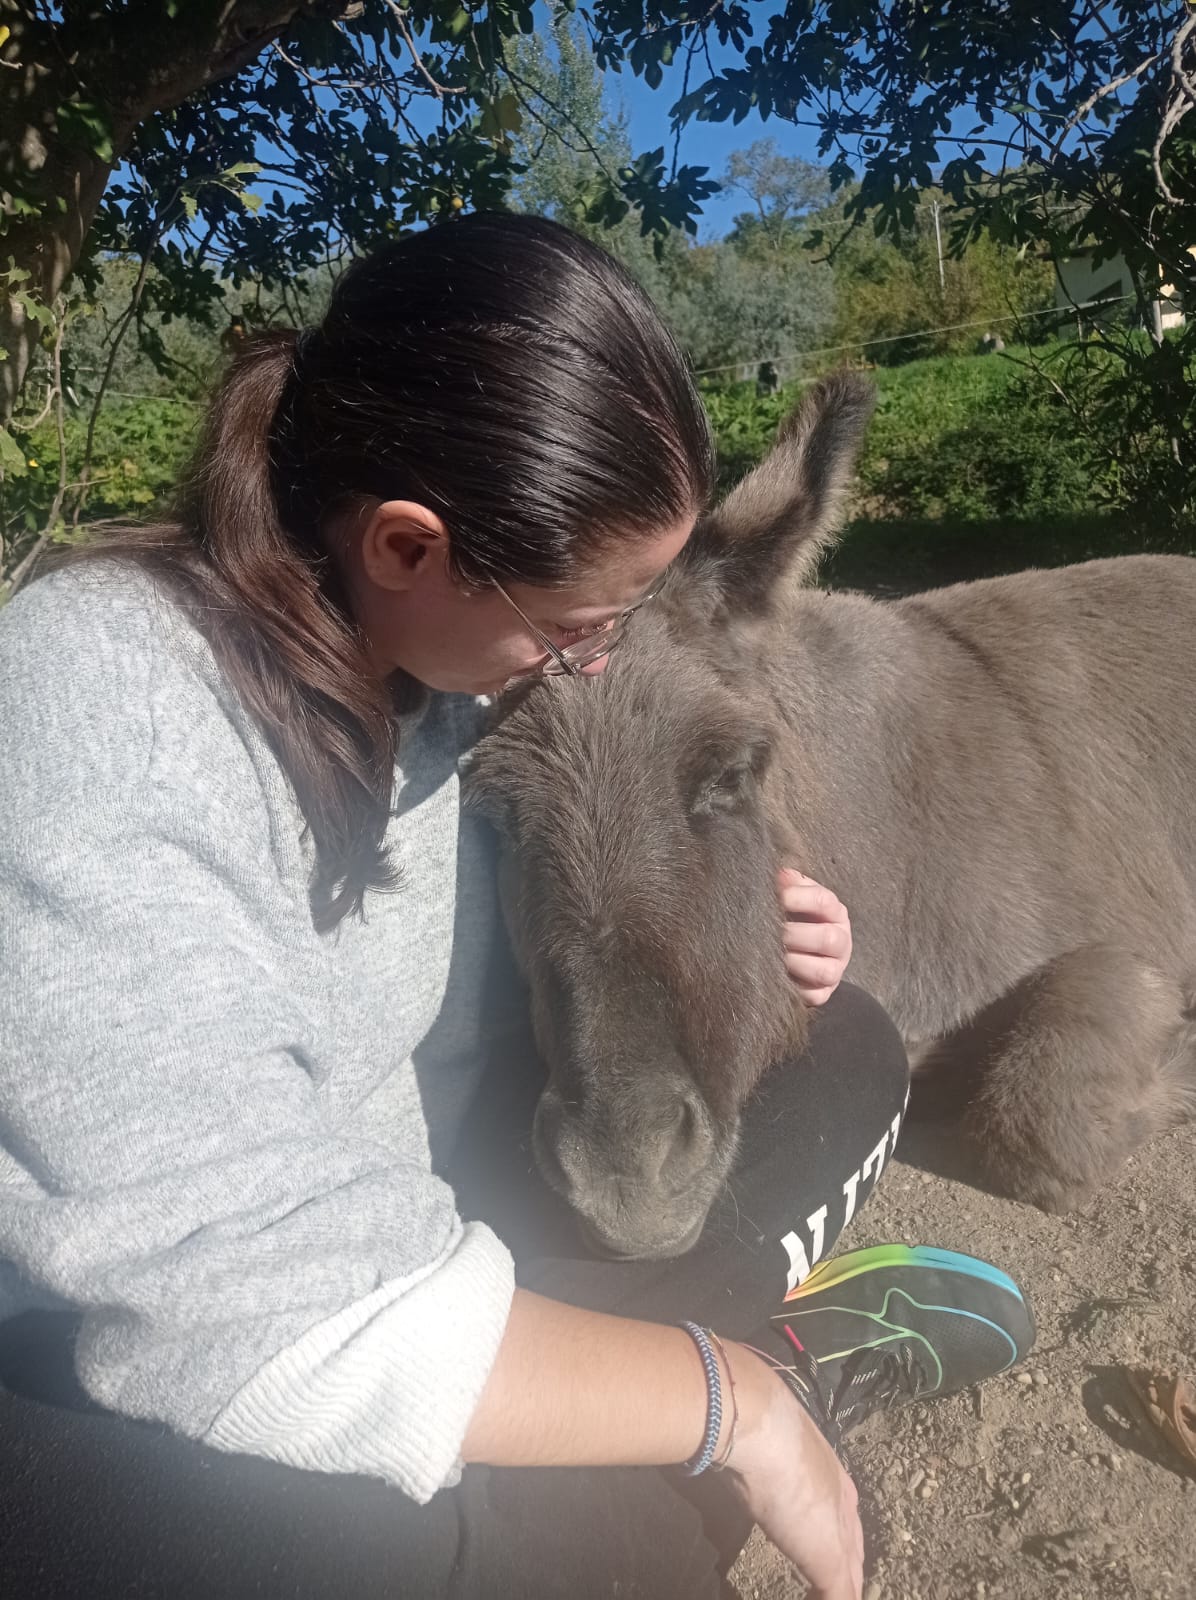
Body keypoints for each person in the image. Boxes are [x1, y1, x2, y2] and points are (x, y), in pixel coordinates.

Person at [0, 213, 1033, 1600]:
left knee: (845, 1052)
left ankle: (656, 1402)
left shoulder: (426, 682)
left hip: (397, 1225)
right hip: (120, 1344)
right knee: (365, 1549)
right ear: (410, 548)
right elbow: (239, 1319)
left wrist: (767, 944)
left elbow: (550, 947)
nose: (596, 665)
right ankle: (760, 1365)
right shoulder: (99, 703)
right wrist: (732, 1408)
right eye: (578, 628)